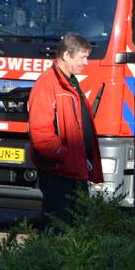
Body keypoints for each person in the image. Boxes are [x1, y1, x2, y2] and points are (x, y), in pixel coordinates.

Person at [27, 32, 103, 230]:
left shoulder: (70, 83)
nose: (86, 62)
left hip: (74, 171)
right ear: (67, 55)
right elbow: (41, 133)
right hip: (60, 173)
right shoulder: (47, 84)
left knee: (75, 230)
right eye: (83, 57)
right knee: (58, 229)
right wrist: (64, 155)